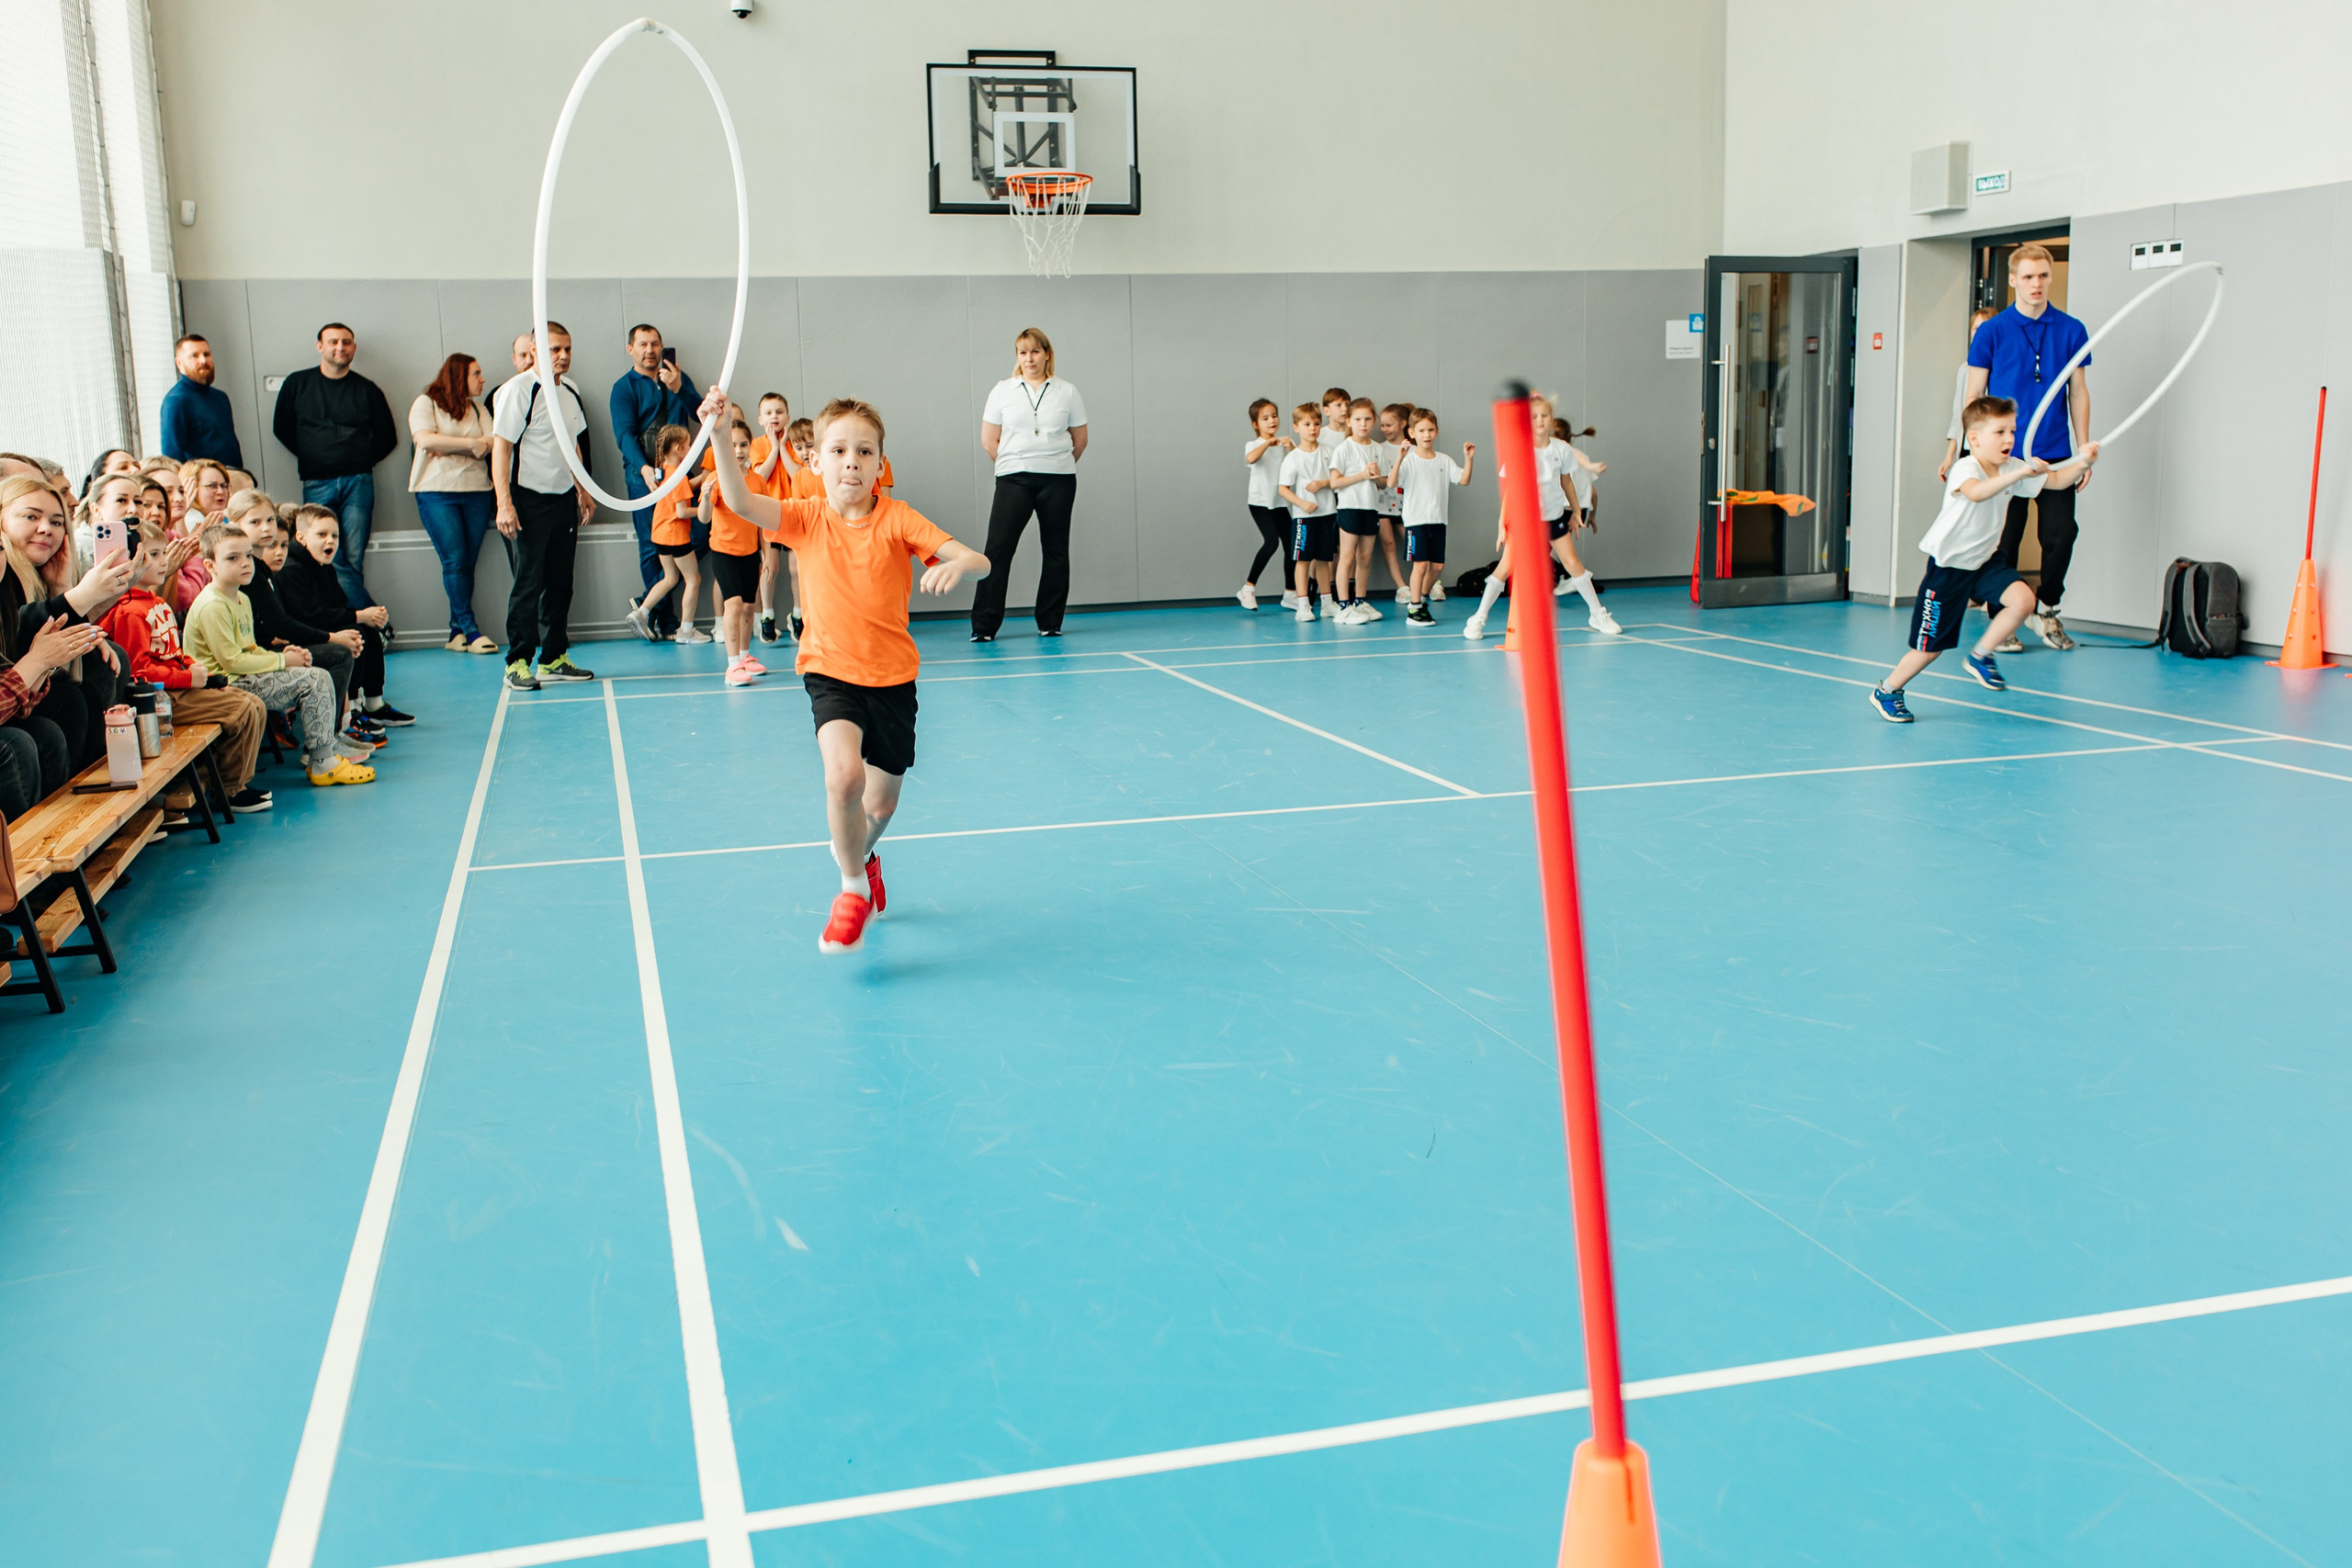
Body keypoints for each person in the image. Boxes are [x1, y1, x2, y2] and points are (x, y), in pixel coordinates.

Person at [701, 388, 989, 954]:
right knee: (844, 779)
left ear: (881, 466)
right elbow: (739, 501)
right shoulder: (806, 518)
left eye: (863, 452)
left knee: (879, 805)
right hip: (829, 671)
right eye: (837, 451)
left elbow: (977, 559)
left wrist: (957, 567)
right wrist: (716, 432)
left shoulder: (898, 518)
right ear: (816, 460)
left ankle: (863, 856)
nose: (850, 462)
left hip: (893, 678)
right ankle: (852, 888)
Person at [1870, 397, 2099, 723]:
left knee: (2023, 600)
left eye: (2012, 431)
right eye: (1999, 432)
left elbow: (2058, 481)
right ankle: (1888, 690)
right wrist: (2019, 472)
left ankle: (1980, 656)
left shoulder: (2011, 467)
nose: (2009, 439)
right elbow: (1978, 492)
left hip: (1985, 563)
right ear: (1974, 438)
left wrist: (2083, 461)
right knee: (1930, 648)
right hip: (1948, 570)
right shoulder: (1967, 467)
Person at [1964, 244, 2090, 651]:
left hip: (2054, 452)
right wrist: (1975, 453)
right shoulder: (1992, 331)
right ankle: (2004, 615)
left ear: (2050, 279)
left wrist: (2083, 449)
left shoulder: (2072, 329)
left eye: (2043, 276)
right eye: (2029, 277)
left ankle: (2047, 607)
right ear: (2013, 280)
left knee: (2061, 534)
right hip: (2004, 455)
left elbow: (2078, 392)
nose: (2036, 284)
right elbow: (1975, 394)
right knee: (2006, 539)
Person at [97, 523, 272, 812]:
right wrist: (187, 677)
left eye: (163, 551)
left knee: (253, 704)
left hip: (178, 688)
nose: (164, 560)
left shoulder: (156, 602)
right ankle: (229, 789)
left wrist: (194, 668)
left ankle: (223, 784)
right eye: (152, 554)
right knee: (241, 708)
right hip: (159, 700)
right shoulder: (129, 610)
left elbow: (173, 653)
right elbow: (138, 672)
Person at [185, 523, 375, 785]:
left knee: (315, 674)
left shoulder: (241, 598)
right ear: (210, 566)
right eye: (233, 558)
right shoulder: (212, 605)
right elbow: (232, 661)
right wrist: (283, 660)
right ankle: (322, 761)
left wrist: (285, 654)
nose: (245, 563)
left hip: (241, 675)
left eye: (249, 555)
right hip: (224, 685)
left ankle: (324, 752)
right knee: (315, 680)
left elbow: (249, 649)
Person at [0, 475, 133, 771]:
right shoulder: (6, 572)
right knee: (68, 700)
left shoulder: (37, 571)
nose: (46, 528)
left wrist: (61, 587)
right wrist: (78, 596)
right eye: (31, 516)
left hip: (26, 691)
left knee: (103, 660)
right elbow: (21, 636)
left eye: (57, 522)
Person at [492, 321, 597, 691]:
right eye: (554, 349)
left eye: (567, 349)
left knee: (560, 582)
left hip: (562, 500)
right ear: (534, 350)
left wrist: (582, 489)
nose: (563, 356)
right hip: (527, 500)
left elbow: (573, 443)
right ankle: (517, 661)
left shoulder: (568, 390)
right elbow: (501, 448)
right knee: (528, 583)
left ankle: (553, 656)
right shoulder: (517, 391)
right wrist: (505, 503)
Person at [971, 326, 1087, 642]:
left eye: (1035, 351)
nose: (1029, 358)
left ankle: (1050, 621)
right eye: (1023, 352)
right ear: (1017, 356)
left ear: (1046, 353)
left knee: (1055, 551)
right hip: (1013, 479)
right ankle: (984, 626)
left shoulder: (1068, 391)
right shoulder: (1002, 390)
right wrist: (1016, 463)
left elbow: (1080, 441)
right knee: (998, 550)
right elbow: (988, 440)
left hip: (1059, 480)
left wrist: (1053, 463)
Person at [271, 322, 399, 609]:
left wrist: (360, 459)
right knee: (324, 554)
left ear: (353, 348)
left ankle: (353, 626)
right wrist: (313, 455)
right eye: (333, 342)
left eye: (346, 342)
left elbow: (388, 436)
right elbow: (281, 428)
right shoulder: (297, 384)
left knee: (352, 557)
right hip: (316, 481)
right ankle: (372, 622)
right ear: (320, 347)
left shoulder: (367, 390)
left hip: (359, 481)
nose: (340, 347)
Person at [1465, 394, 1613, 637]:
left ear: (1551, 419)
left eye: (1544, 415)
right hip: (1524, 521)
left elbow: (1567, 482)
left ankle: (1598, 615)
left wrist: (1576, 512)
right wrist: (1501, 525)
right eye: (1534, 416)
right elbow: (1510, 491)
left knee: (1574, 565)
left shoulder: (1562, 449)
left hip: (1554, 519)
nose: (1540, 420)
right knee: (1504, 569)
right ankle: (1478, 619)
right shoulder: (1519, 448)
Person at [242, 501, 373, 751]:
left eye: (270, 520)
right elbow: (281, 622)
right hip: (257, 659)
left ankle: (335, 731)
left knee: (351, 643)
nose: (267, 529)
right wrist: (331, 638)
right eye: (256, 522)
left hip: (269, 647)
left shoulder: (263, 570)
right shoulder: (259, 571)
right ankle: (322, 746)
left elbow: (276, 622)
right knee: (338, 654)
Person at [280, 504, 411, 727]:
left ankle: (374, 703)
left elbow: (338, 606)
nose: (330, 541)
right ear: (301, 537)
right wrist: (360, 616)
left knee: (368, 630)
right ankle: (352, 708)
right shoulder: (292, 569)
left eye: (334, 535)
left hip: (317, 626)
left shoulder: (324, 567)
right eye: (322, 535)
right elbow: (308, 616)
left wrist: (368, 617)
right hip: (300, 635)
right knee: (355, 633)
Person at [610, 324, 702, 635]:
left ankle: (646, 603)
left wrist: (679, 388)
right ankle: (665, 619)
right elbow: (624, 435)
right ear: (630, 349)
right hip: (644, 480)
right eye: (643, 344)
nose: (650, 350)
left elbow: (703, 413)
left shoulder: (677, 377)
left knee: (696, 537)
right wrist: (644, 469)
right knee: (652, 548)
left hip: (679, 477)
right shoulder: (624, 388)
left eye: (655, 344)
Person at [409, 353, 500, 653]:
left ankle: (455, 632)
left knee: (465, 564)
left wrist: (449, 445)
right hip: (437, 492)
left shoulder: (476, 408)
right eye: (476, 374)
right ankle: (471, 631)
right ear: (459, 376)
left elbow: (491, 443)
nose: (482, 380)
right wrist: (469, 445)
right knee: (455, 560)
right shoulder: (426, 403)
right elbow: (425, 441)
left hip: (477, 491)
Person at [1385, 408, 1473, 628]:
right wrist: (1399, 458)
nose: (1427, 435)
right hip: (1416, 521)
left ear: (1436, 431)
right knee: (1421, 565)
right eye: (1422, 430)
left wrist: (1468, 459)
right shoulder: (1409, 461)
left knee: (1437, 566)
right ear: (1412, 433)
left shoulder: (1444, 460)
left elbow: (1463, 480)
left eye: (1431, 430)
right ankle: (1414, 608)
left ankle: (1421, 599)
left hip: (1438, 520)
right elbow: (1391, 483)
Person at [699, 416, 766, 685]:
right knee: (734, 604)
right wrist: (704, 497)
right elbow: (704, 518)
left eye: (743, 444)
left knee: (750, 607)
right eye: (732, 445)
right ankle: (732, 665)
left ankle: (745, 655)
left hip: (750, 552)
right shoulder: (716, 479)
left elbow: (762, 521)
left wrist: (766, 554)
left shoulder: (758, 482)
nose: (738, 450)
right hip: (723, 551)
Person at [624, 425, 704, 644]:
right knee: (693, 579)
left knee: (670, 577)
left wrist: (704, 478)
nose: (690, 449)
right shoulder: (678, 476)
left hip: (660, 534)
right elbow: (682, 511)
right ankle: (686, 630)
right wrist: (707, 511)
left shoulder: (666, 471)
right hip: (675, 535)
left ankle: (642, 611)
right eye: (688, 445)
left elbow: (683, 488)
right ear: (678, 448)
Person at [1327, 398, 1391, 624]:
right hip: (1349, 509)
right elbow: (1334, 483)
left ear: (1373, 421)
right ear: (1349, 422)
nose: (1362, 424)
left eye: (1367, 419)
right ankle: (1343, 606)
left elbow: (1383, 484)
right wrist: (1362, 476)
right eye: (1357, 419)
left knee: (1364, 558)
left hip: (1370, 509)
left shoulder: (1376, 448)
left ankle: (1359, 601)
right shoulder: (1344, 448)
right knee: (1346, 558)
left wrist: (1376, 477)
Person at [1278, 404, 1340, 622]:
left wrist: (1324, 483)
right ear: (1296, 427)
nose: (1312, 428)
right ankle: (1303, 605)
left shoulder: (1329, 452)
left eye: (1316, 423)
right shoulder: (1293, 458)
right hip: (1305, 518)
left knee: (1324, 560)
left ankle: (1327, 604)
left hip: (1328, 514)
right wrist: (1302, 504)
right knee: (1303, 561)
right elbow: (1283, 488)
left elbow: (1336, 481)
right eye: (1306, 424)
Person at [1237, 398, 1293, 610]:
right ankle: (1248, 588)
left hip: (1279, 503)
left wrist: (1291, 446)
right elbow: (1250, 459)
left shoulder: (1282, 445)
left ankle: (1290, 593)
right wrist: (1268, 443)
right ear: (1255, 424)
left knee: (1292, 547)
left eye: (1274, 416)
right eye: (1266, 418)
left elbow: (1299, 461)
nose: (1272, 421)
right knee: (1271, 542)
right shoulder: (1254, 444)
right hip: (1260, 503)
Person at [159, 334, 244, 468]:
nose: (203, 360)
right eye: (194, 356)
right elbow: (173, 456)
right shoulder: (176, 402)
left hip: (231, 479)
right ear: (179, 363)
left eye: (207, 354)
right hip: (204, 484)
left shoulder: (220, 397)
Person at [1939, 308, 2000, 484]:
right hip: (1968, 446)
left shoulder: (2000, 370)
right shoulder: (1965, 369)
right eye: (1976, 329)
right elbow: (1959, 413)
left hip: (1990, 447)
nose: (1980, 334)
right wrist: (1950, 455)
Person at [1374, 402, 1414, 603]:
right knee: (1388, 544)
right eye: (1382, 426)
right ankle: (1402, 587)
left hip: (1407, 507)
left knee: (1413, 542)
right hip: (1382, 505)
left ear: (1403, 424)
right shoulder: (1378, 449)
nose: (1384, 430)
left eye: (1389, 425)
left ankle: (1428, 583)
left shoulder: (1414, 450)